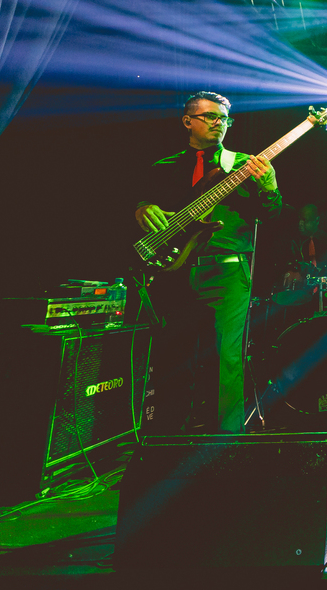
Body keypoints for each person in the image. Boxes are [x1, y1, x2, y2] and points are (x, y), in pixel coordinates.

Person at [135, 91, 281, 434]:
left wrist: (270, 188)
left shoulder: (244, 164)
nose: (219, 123)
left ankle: (226, 442)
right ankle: (168, 435)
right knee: (174, 354)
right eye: (211, 116)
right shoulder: (164, 168)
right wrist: (142, 210)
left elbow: (271, 216)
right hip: (174, 270)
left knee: (226, 357)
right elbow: (144, 206)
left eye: (224, 118)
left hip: (226, 268)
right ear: (188, 121)